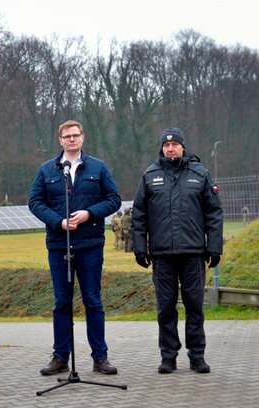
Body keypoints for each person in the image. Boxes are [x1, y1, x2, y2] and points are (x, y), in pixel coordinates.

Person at [28, 120, 121, 376]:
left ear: (83, 137)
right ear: (60, 140)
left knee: (93, 301)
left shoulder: (98, 167)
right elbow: (34, 202)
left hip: (90, 245)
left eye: (75, 135)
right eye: (66, 136)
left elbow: (114, 200)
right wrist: (58, 221)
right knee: (61, 303)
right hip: (59, 246)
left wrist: (89, 214)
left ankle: (100, 358)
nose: (71, 139)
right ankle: (60, 357)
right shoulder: (47, 169)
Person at [131, 127, 223, 374]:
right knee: (165, 308)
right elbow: (138, 215)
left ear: (183, 146)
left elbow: (214, 213)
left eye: (174, 144)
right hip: (162, 255)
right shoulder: (150, 175)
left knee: (195, 307)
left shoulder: (200, 174)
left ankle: (197, 356)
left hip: (193, 253)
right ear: (161, 148)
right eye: (166, 145)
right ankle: (168, 357)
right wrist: (140, 248)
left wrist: (214, 246)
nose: (170, 148)